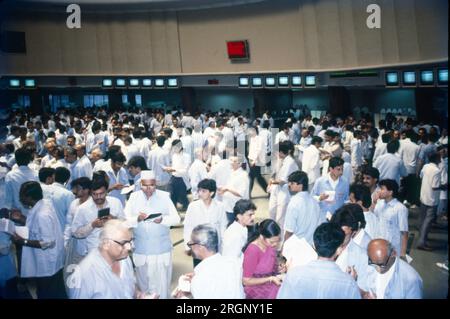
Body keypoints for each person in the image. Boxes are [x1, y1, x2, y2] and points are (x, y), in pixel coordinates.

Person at [124, 170, 180, 299]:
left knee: (162, 286)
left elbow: (176, 218)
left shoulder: (164, 196)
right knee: (143, 286)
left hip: (161, 249)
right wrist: (136, 219)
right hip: (141, 249)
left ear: (156, 184)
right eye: (145, 185)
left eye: (152, 185)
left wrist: (162, 220)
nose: (149, 189)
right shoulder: (134, 197)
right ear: (140, 184)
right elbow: (124, 221)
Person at [11, 181, 66, 299]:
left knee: (47, 293)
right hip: (50, 260)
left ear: (30, 197)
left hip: (48, 263)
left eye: (22, 197)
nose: (20, 199)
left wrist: (23, 241)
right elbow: (37, 227)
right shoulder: (43, 204)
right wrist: (21, 219)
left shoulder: (42, 214)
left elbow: (48, 241)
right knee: (53, 290)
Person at [277, 222, 361, 299]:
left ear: (314, 245)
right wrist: (350, 281)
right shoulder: (348, 283)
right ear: (339, 250)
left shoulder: (294, 275)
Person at [68, 220, 146, 299]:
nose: (129, 247)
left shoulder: (124, 259)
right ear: (106, 244)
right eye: (123, 243)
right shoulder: (84, 274)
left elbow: (130, 286)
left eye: (130, 241)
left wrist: (139, 295)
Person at [176, 224, 244, 299]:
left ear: (200, 247)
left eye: (191, 244)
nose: (191, 247)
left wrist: (182, 297)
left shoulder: (200, 278)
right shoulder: (233, 264)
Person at [71, 178, 125, 258]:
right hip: (94, 251)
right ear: (90, 193)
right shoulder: (83, 209)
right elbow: (75, 232)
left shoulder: (115, 203)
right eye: (94, 194)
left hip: (114, 248)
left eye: (101, 194)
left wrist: (114, 220)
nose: (98, 197)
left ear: (107, 191)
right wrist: (92, 225)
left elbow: (125, 225)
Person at [183, 179, 227, 267]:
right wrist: (187, 245)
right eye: (199, 190)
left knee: (214, 269)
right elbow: (188, 227)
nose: (200, 193)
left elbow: (223, 227)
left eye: (203, 191)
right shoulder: (193, 206)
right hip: (198, 245)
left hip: (214, 246)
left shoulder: (220, 206)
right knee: (198, 269)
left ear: (211, 193)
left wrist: (223, 246)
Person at [330, 204, 370, 291]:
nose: (339, 237)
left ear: (353, 232)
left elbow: (364, 292)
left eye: (343, 233)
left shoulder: (362, 256)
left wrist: (351, 282)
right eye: (336, 232)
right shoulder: (326, 245)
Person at [242, 219, 282, 299]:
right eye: (272, 242)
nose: (275, 244)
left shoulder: (269, 246)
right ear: (261, 237)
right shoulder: (253, 250)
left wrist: (280, 269)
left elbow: (271, 268)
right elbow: (246, 281)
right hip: (255, 289)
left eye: (277, 241)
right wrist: (270, 279)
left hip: (270, 283)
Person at [283, 170, 321, 246]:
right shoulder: (314, 201)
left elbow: (289, 230)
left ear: (300, 185)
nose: (289, 185)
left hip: (297, 246)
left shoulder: (294, 202)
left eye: (292, 183)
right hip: (311, 246)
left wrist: (284, 249)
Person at [373, 179, 409, 258]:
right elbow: (372, 217)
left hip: (393, 248)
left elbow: (404, 233)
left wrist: (403, 254)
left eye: (382, 189)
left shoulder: (400, 208)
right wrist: (374, 202)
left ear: (390, 192)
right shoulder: (379, 204)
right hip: (379, 244)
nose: (379, 191)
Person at [417, 152, 444, 251]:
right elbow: (435, 186)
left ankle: (421, 238)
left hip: (423, 195)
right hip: (432, 198)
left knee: (422, 218)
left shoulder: (426, 166)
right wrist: (443, 186)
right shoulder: (436, 170)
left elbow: (421, 177)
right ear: (437, 159)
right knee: (428, 221)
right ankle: (422, 242)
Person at [311, 157, 350, 221]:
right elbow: (311, 198)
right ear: (331, 169)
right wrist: (320, 198)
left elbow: (346, 200)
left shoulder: (345, 183)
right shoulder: (320, 182)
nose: (341, 172)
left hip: (338, 219)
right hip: (322, 218)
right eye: (338, 169)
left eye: (342, 169)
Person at [218, 155, 250, 224]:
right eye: (231, 160)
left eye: (234, 161)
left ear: (240, 163)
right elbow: (231, 186)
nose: (231, 162)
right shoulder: (231, 172)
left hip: (236, 208)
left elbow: (240, 193)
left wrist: (227, 189)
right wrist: (223, 189)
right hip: (228, 206)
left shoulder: (243, 175)